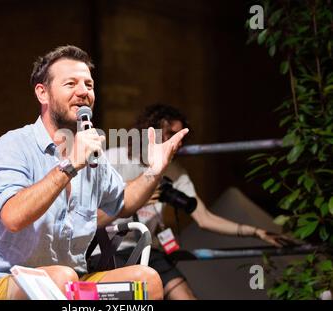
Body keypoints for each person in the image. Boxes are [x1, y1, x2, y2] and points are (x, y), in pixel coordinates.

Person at [0, 46, 189, 300]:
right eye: (71, 84)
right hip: (9, 281)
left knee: (147, 280)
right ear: (42, 93)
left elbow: (122, 201)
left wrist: (153, 171)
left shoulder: (92, 154)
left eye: (88, 85)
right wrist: (70, 165)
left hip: (73, 281)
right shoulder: (14, 145)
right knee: (60, 280)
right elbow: (13, 217)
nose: (83, 92)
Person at [96, 103, 293, 300]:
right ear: (151, 131)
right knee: (136, 298)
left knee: (186, 297)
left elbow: (205, 218)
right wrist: (134, 192)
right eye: (171, 133)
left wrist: (257, 232)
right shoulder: (114, 158)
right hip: (110, 248)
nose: (177, 141)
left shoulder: (175, 172)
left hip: (148, 248)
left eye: (182, 136)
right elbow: (87, 207)